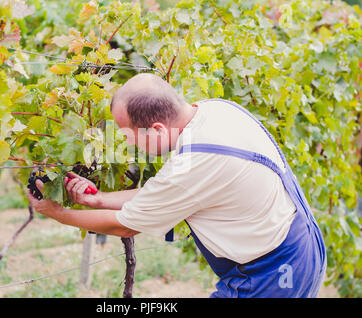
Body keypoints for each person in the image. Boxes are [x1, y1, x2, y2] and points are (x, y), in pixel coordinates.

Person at [27, 73, 326, 297]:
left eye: (129, 135)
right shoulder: (214, 111)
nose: (128, 144)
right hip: (300, 249)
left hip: (272, 275)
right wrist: (99, 198)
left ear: (157, 129)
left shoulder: (198, 161)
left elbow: (126, 226)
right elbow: (163, 193)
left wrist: (55, 212)